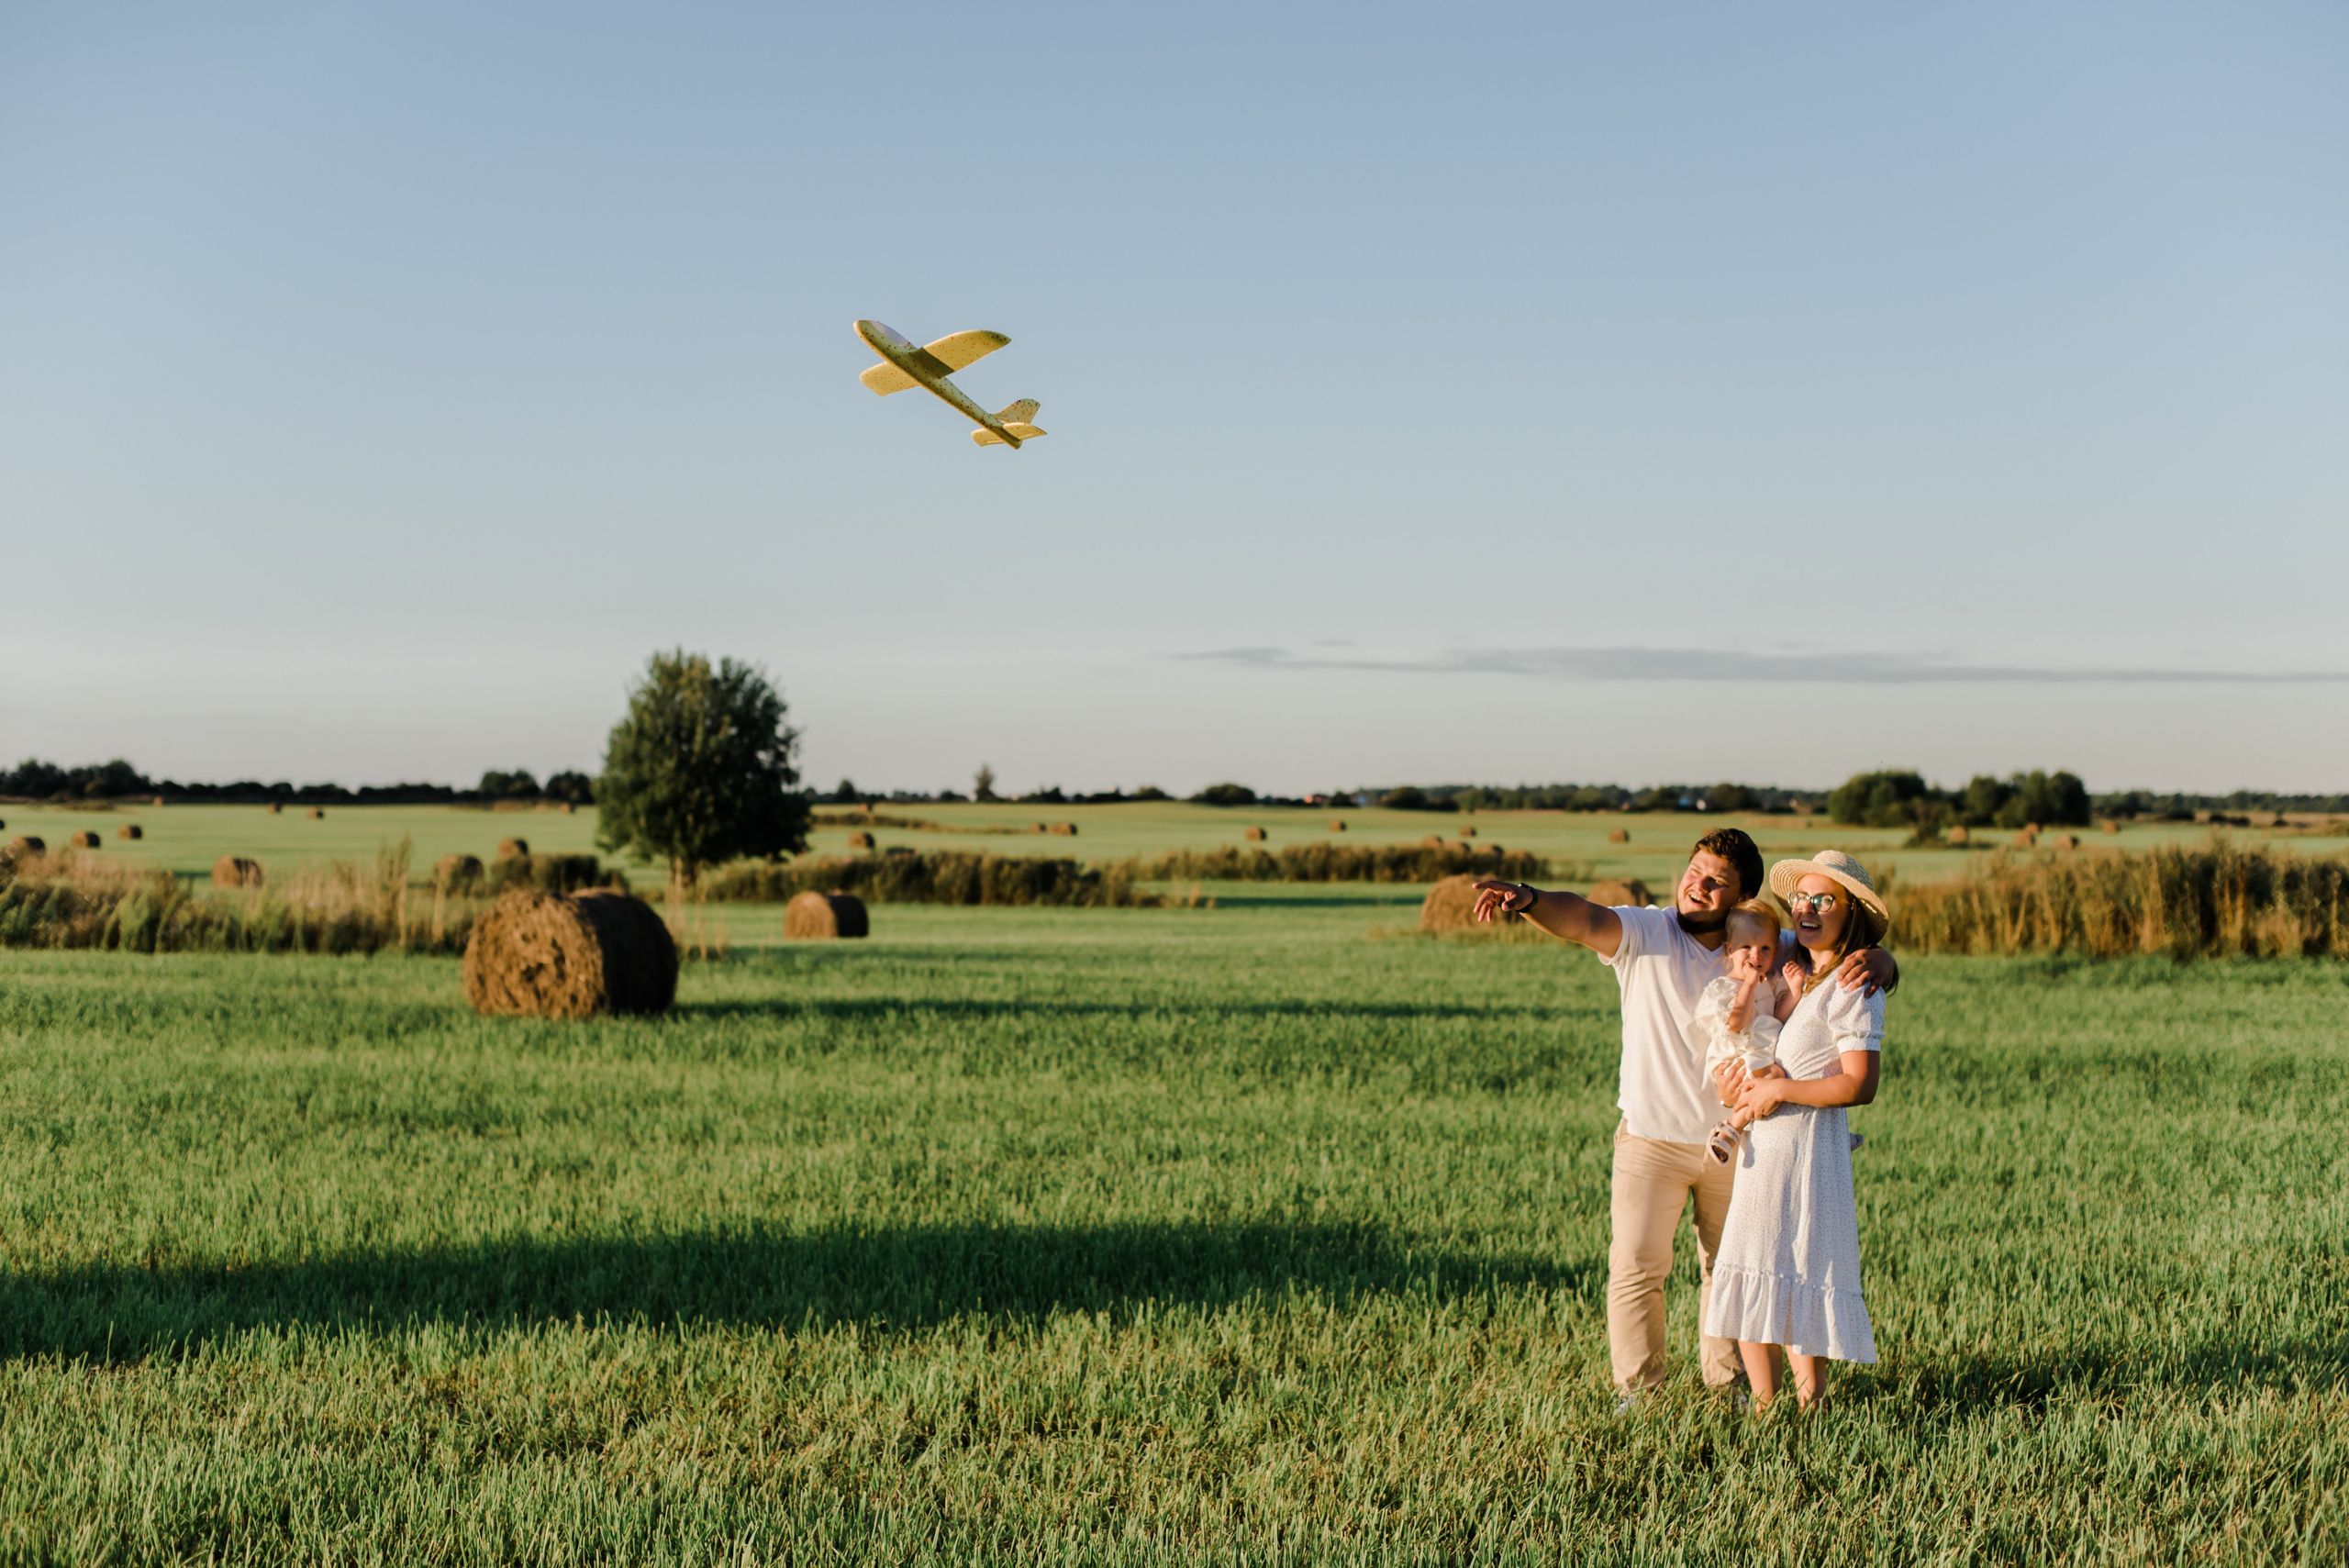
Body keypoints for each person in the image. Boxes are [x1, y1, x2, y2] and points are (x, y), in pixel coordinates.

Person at [1473, 831, 1898, 1408]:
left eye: (1717, 880)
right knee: (1636, 1270)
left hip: (1743, 1147)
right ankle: (1638, 1393)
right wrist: (1525, 898)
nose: (1698, 884)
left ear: (1744, 898)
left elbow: (1840, 961)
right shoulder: (1647, 932)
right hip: (1651, 1137)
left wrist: (1883, 961)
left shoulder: (1770, 941)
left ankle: (1729, 1389)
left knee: (1730, 1272)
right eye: (1695, 870)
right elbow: (1581, 916)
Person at [1704, 851, 1888, 1409]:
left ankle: (1811, 1412)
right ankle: (1766, 1409)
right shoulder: (1803, 976)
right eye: (1801, 899)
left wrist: (1779, 1090)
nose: (1806, 909)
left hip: (1808, 1151)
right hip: (1767, 1152)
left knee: (1802, 1274)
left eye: (1823, 899)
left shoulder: (1854, 983)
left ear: (1849, 909)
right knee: (1757, 1272)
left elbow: (1860, 1084)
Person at [1693, 901, 1792, 1166]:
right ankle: (1732, 1128)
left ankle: (1823, 1134)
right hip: (1735, 1058)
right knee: (1775, 1080)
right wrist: (1748, 985)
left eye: (1765, 949)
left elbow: (1777, 1022)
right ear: (1730, 949)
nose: (1755, 955)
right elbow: (1735, 1023)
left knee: (1785, 1077)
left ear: (1775, 952)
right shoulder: (1725, 987)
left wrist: (1795, 991)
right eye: (1746, 947)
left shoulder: (1770, 984)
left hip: (1756, 1052)